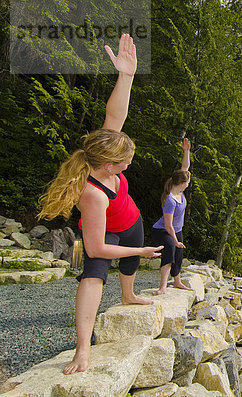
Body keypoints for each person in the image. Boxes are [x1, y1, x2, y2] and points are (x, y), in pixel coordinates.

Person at [37, 33, 163, 375]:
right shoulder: (91, 193)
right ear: (108, 166)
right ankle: (82, 349)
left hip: (131, 221)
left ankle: (129, 294)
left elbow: (115, 115)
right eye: (126, 162)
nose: (129, 164)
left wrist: (126, 76)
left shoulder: (104, 146)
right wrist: (138, 252)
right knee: (93, 279)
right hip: (105, 234)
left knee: (129, 268)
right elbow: (98, 247)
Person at [151, 138, 193, 295]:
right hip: (162, 230)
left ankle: (177, 281)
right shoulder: (170, 200)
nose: (189, 183)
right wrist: (175, 241)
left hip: (176, 229)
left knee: (179, 255)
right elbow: (168, 226)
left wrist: (186, 151)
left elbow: (185, 167)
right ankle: (162, 286)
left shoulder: (179, 191)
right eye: (187, 181)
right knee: (170, 250)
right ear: (182, 183)